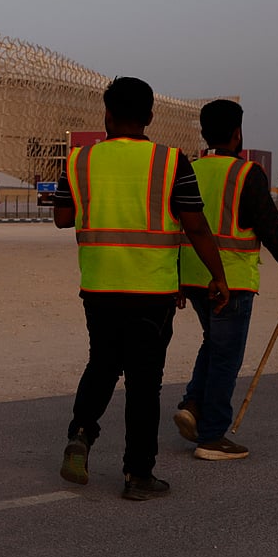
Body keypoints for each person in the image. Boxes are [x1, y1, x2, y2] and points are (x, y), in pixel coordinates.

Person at [53, 77, 229, 501]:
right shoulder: (170, 162)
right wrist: (217, 276)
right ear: (150, 116)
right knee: (144, 382)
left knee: (102, 364)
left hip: (98, 286)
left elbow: (62, 217)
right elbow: (196, 226)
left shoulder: (79, 161)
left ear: (106, 115)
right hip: (150, 291)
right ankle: (138, 474)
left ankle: (81, 433)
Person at [173, 99, 278, 460]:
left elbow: (175, 225)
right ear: (237, 134)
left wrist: (175, 277)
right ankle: (212, 436)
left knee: (213, 342)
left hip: (190, 275)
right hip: (231, 280)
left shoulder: (188, 169)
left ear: (205, 133)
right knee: (227, 356)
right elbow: (268, 224)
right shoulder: (246, 174)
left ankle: (192, 404)